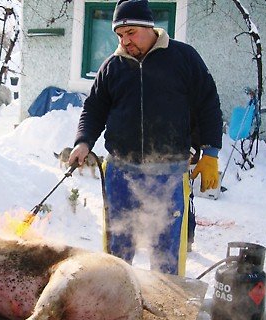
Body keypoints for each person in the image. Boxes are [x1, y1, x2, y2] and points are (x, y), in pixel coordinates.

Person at [69, 0, 222, 276]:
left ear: (151, 27)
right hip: (121, 172)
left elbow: (207, 103)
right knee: (117, 250)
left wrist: (210, 153)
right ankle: (116, 302)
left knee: (166, 249)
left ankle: (166, 304)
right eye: (120, 35)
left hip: (169, 172)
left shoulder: (183, 58)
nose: (125, 41)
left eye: (131, 33)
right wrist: (83, 141)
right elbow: (93, 108)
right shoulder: (112, 67)